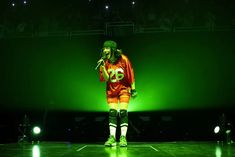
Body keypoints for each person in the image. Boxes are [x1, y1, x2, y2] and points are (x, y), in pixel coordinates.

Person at [97, 40, 137, 147]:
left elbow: (130, 74)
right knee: (112, 113)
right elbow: (106, 78)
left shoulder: (124, 59)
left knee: (123, 112)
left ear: (112, 49)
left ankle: (123, 137)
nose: (105, 50)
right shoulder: (104, 61)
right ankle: (112, 138)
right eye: (104, 48)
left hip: (124, 88)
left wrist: (133, 89)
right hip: (111, 90)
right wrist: (102, 67)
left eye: (107, 48)